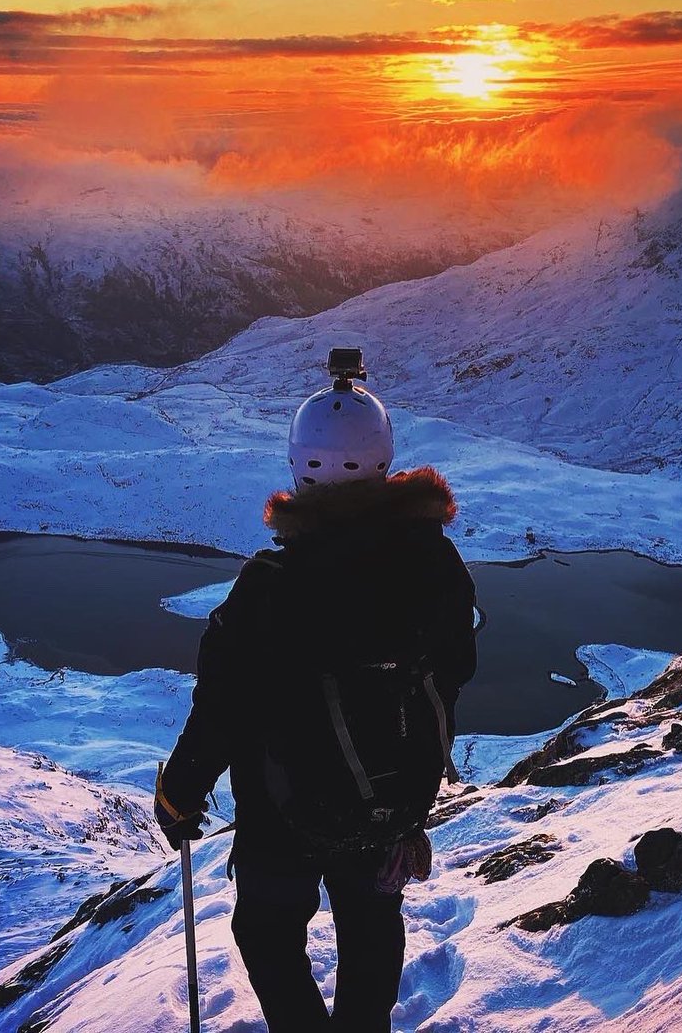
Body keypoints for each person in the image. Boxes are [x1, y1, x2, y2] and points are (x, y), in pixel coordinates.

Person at [155, 347, 477, 1032]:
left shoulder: (271, 588)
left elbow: (222, 704)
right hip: (389, 799)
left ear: (299, 468)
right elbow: (456, 665)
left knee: (269, 937)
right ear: (384, 460)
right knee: (371, 924)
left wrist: (180, 792)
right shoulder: (433, 564)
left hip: (280, 817)